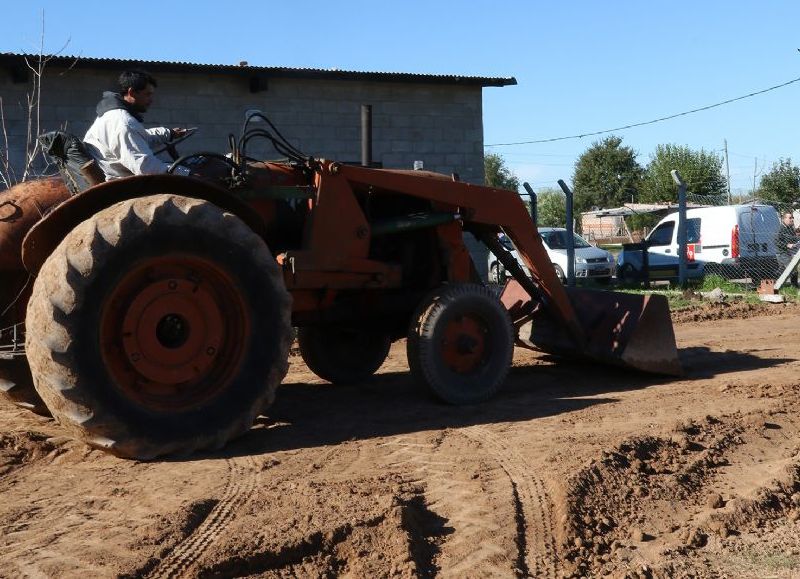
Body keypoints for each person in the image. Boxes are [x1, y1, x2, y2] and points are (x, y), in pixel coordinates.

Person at [83, 70, 190, 179]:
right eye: (147, 94)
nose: (151, 100)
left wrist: (169, 133)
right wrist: (187, 174)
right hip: (120, 183)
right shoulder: (123, 123)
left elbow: (139, 137)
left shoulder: (112, 115)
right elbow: (146, 167)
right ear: (132, 92)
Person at [776, 211, 799, 287]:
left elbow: (794, 239)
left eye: (792, 217)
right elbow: (777, 242)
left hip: (789, 253)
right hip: (782, 253)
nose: (792, 219)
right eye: (790, 218)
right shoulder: (780, 229)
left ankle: (775, 284)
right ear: (784, 219)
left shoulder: (790, 228)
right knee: (792, 269)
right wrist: (786, 245)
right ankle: (795, 286)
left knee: (781, 270)